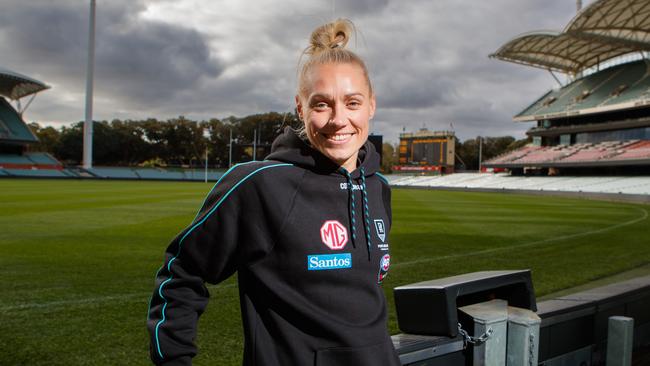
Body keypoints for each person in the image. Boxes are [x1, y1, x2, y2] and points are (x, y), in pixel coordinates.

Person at [147, 19, 400, 366]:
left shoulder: (377, 186)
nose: (339, 119)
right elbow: (182, 271)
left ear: (371, 105)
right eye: (322, 104)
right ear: (301, 107)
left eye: (352, 103)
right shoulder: (261, 185)